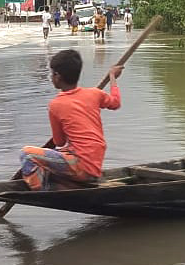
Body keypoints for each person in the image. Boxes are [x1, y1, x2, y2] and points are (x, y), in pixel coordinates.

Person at [13, 49, 122, 191]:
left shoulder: (56, 104)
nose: (51, 77)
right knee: (59, 154)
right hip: (95, 164)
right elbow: (115, 102)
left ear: (57, 76)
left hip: (81, 165)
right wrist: (112, 76)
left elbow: (59, 142)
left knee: (26, 154)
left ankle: (43, 190)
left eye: (52, 74)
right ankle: (65, 180)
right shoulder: (94, 94)